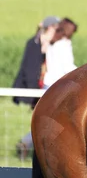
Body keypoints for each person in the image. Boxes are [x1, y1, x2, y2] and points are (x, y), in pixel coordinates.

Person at [13, 15, 60, 158]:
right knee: (48, 121)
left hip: (45, 88)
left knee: (48, 121)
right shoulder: (35, 43)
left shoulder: (50, 43)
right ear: (51, 27)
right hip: (39, 89)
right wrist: (34, 94)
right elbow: (30, 69)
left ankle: (27, 143)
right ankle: (30, 144)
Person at [43, 18, 78, 89]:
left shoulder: (53, 42)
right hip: (57, 85)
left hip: (48, 83)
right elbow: (67, 67)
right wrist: (82, 72)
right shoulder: (64, 45)